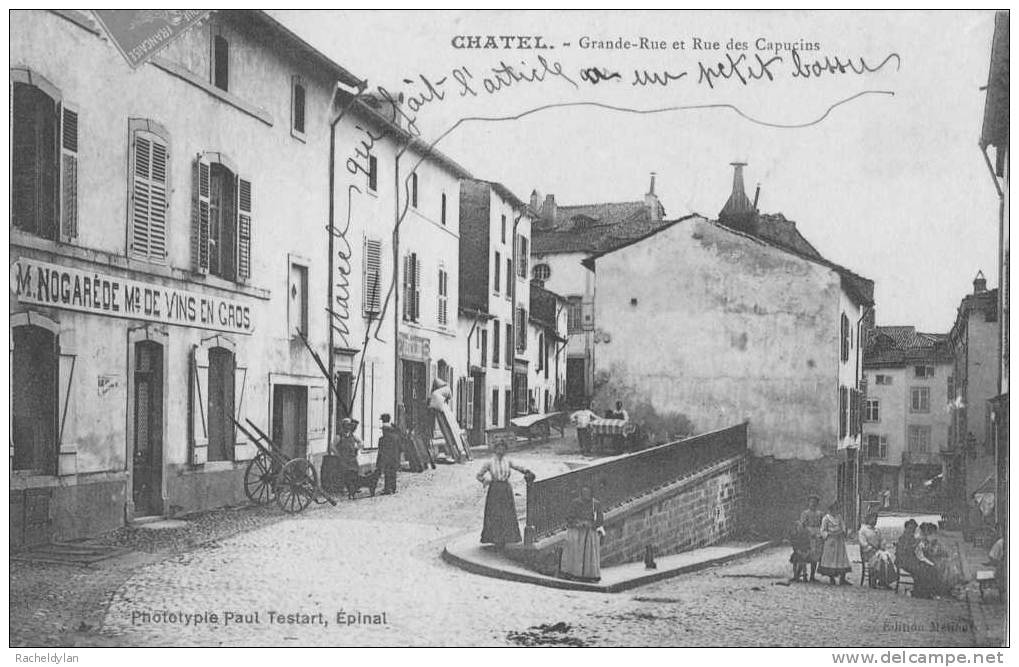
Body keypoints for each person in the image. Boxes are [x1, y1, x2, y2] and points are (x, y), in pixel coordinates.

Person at [476, 441, 534, 548]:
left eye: (503, 449)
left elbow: (518, 467)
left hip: (506, 489)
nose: (501, 451)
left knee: (507, 513)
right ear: (495, 449)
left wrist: (526, 471)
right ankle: (495, 538)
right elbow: (479, 475)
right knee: (495, 514)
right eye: (499, 448)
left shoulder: (508, 461)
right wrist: (486, 480)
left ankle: (508, 537)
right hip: (495, 490)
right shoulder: (489, 462)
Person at [560, 484, 605, 582]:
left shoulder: (596, 504)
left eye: (588, 493)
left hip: (590, 533)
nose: (586, 495)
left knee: (590, 554)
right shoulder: (575, 503)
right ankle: (574, 573)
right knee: (576, 552)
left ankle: (590, 575)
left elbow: (600, 520)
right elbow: (569, 517)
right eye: (584, 493)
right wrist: (577, 523)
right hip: (577, 532)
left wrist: (592, 525)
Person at [858, 512, 897, 588]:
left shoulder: (877, 530)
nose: (874, 521)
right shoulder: (863, 530)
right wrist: (871, 549)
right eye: (873, 519)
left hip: (877, 551)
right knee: (879, 558)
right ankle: (873, 579)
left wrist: (882, 545)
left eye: (876, 519)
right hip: (868, 553)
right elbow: (863, 543)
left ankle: (884, 580)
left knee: (886, 557)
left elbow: (882, 540)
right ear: (868, 519)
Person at [818, 501, 852, 585]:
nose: (835, 511)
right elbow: (822, 530)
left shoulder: (839, 517)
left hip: (839, 540)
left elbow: (843, 526)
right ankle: (831, 578)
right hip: (830, 541)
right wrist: (829, 534)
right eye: (834, 509)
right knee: (831, 559)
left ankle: (842, 578)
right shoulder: (826, 518)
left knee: (841, 559)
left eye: (837, 509)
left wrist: (843, 532)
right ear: (830, 510)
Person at [331, 418, 362, 495]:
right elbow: (332, 447)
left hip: (352, 458)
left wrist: (357, 449)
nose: (347, 427)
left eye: (349, 425)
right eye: (346, 425)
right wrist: (338, 454)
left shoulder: (353, 435)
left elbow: (360, 442)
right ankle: (342, 489)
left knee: (355, 471)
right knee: (343, 473)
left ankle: (354, 488)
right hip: (343, 458)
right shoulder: (338, 436)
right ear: (343, 426)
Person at [799, 495, 824, 581]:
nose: (813, 504)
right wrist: (808, 532)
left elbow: (822, 525)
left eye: (815, 502)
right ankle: (803, 574)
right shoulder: (805, 513)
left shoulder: (820, 513)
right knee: (806, 554)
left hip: (817, 535)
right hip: (807, 536)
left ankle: (812, 576)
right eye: (811, 502)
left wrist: (820, 533)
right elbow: (802, 525)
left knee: (816, 556)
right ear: (808, 503)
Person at [376, 413, 402, 495]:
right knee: (393, 473)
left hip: (386, 459)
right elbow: (400, 448)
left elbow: (380, 451)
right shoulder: (396, 438)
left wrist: (379, 461)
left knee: (387, 474)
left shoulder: (382, 439)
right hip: (394, 458)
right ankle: (393, 488)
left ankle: (387, 489)